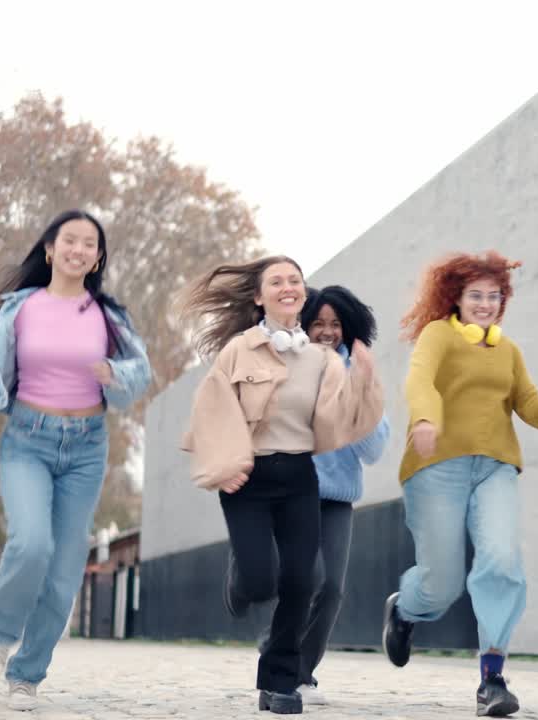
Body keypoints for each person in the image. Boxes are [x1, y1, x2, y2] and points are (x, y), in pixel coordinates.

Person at [0, 209, 152, 711]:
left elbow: (141, 372)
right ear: (49, 249)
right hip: (28, 440)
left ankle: (27, 674)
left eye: (89, 244)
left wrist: (115, 373)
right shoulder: (18, 310)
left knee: (66, 568)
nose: (78, 249)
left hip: (87, 447)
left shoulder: (109, 316)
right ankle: (0, 631)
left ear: (98, 257)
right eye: (70, 240)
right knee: (30, 544)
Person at [181, 256, 384, 715]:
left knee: (304, 579)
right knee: (260, 579)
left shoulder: (321, 360)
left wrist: (363, 383)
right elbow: (211, 412)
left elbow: (340, 422)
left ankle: (279, 682)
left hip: (298, 478)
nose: (288, 286)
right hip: (246, 476)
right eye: (277, 281)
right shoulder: (239, 350)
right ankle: (241, 582)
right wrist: (224, 466)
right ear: (259, 296)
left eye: (295, 280)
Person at [380, 250, 538, 718]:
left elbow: (533, 411)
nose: (486, 304)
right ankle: (405, 609)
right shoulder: (438, 334)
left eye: (494, 296)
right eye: (476, 296)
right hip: (436, 465)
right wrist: (426, 418)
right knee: (441, 584)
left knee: (502, 561)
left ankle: (493, 677)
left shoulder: (507, 351)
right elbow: (419, 379)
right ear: (457, 298)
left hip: (495, 467)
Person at [292, 285, 390, 705]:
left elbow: (373, 451)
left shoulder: (359, 373)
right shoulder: (290, 366)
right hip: (291, 492)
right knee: (300, 581)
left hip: (336, 499)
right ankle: (284, 662)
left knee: (330, 587)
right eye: (319, 324)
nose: (327, 332)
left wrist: (359, 389)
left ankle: (299, 670)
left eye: (335, 324)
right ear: (305, 327)